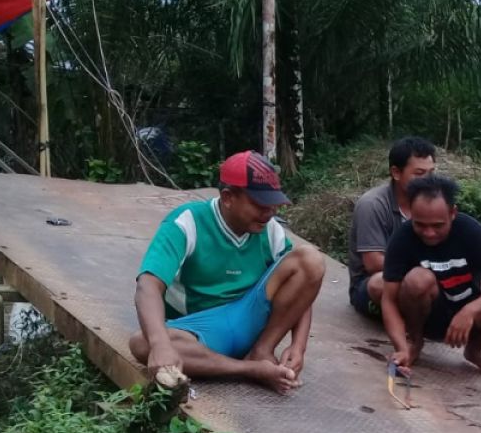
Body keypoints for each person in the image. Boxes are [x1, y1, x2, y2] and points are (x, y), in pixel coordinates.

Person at [129, 151, 325, 394]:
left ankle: (261, 351)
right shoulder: (187, 222)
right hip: (200, 331)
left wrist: (298, 346)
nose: (269, 212)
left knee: (311, 260)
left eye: (273, 204)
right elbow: (147, 286)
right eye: (259, 204)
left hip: (248, 316)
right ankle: (250, 369)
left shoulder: (270, 230)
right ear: (228, 197)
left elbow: (304, 288)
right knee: (142, 343)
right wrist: (159, 344)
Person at [381, 174, 481, 379]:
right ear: (411, 214)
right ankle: (414, 342)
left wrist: (469, 311)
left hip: (466, 314)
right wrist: (400, 346)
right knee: (417, 279)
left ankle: (474, 350)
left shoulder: (471, 231)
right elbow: (389, 300)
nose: (429, 233)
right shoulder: (402, 238)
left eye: (438, 225)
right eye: (420, 225)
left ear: (453, 213)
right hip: (426, 314)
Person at [347, 137, 437, 319]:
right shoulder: (373, 204)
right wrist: (429, 272)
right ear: (396, 172)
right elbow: (373, 264)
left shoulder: (434, 203)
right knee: (381, 283)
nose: (428, 181)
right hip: (373, 286)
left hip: (428, 278)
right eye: (419, 173)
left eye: (431, 173)